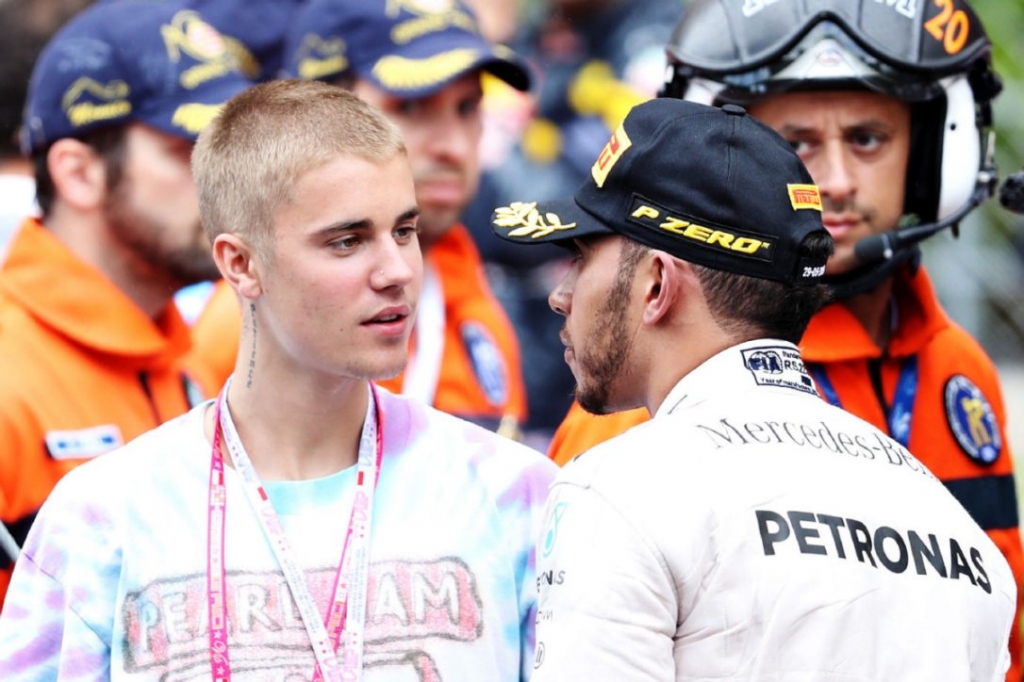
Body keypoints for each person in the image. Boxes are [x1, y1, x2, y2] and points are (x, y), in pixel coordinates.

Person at [0, 78, 557, 680]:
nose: (396, 271)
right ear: (240, 264)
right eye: (347, 242)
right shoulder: (102, 517)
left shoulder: (513, 494)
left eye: (404, 230)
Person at [552, 3, 1024, 674]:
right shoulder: (646, 387)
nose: (834, 180)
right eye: (797, 146)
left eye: (867, 139)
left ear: (930, 155)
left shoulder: (959, 370)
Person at [0, 0, 253, 608]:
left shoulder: (185, 368)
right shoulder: (10, 382)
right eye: (187, 149)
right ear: (78, 173)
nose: (231, 183)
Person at [187, 0, 530, 437]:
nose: (454, 147)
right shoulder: (251, 322)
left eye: (467, 108)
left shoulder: (463, 281)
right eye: (412, 106)